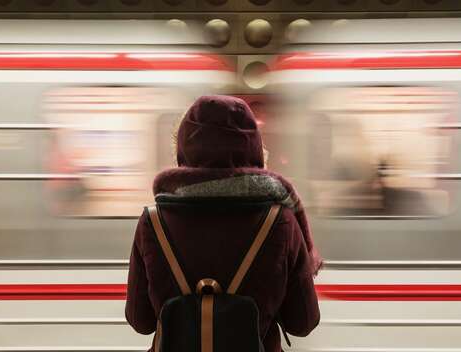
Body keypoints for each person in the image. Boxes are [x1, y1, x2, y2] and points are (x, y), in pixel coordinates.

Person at [125, 95, 321, 352]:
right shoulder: (281, 221)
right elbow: (303, 322)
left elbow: (140, 321)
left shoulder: (153, 222)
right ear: (253, 148)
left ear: (184, 149)